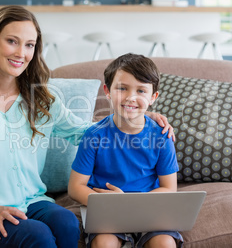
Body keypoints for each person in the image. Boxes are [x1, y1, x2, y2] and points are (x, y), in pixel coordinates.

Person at [0, 6, 174, 248]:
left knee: (67, 223)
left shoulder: (41, 100)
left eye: (29, 45)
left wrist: (133, 113)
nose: (21, 53)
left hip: (31, 201)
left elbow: (87, 133)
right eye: (12, 41)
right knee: (37, 235)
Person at [68, 53, 183, 248]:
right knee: (104, 243)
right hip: (108, 211)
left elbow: (169, 188)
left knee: (164, 243)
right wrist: (108, 203)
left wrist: (131, 203)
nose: (131, 97)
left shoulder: (162, 137)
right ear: (108, 91)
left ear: (153, 97)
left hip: (150, 210)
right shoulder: (94, 135)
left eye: (141, 91)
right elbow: (75, 187)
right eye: (122, 88)